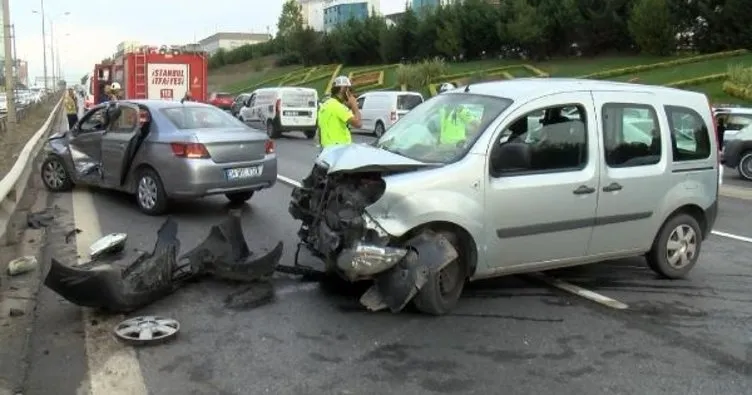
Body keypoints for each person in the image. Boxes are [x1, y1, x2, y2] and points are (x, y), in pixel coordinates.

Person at [316, 76, 362, 150]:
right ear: (343, 89)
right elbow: (358, 124)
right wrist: (354, 105)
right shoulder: (338, 106)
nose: (351, 93)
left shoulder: (325, 104)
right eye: (349, 90)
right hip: (339, 149)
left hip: (327, 148)